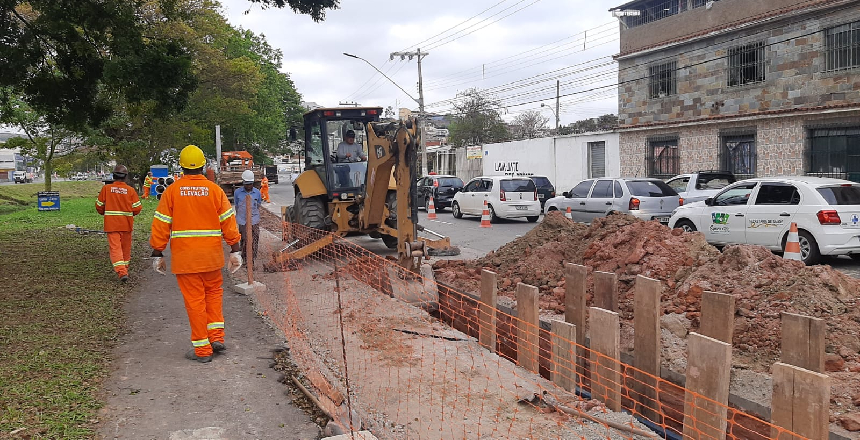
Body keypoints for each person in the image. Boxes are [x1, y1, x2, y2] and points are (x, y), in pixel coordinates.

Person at [150, 145, 243, 364]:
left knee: (195, 302)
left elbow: (162, 224)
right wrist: (235, 249)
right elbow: (229, 222)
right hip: (211, 258)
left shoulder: (172, 191)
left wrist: (157, 251)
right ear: (203, 166)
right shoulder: (214, 190)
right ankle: (216, 338)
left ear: (181, 167)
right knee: (213, 296)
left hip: (186, 260)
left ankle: (203, 350)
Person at [96, 165, 142, 283]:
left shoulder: (106, 189)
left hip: (111, 225)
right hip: (126, 224)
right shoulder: (131, 190)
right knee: (125, 249)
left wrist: (105, 212)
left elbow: (99, 206)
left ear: (113, 175)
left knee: (115, 248)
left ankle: (122, 272)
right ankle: (124, 269)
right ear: (126, 177)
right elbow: (137, 208)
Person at [234, 170, 262, 262]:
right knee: (245, 240)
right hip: (242, 220)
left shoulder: (257, 192)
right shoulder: (237, 192)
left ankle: (252, 258)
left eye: (250, 184)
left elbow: (258, 205)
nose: (248, 186)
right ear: (243, 183)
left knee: (255, 238)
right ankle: (245, 258)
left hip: (254, 220)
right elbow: (237, 206)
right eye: (246, 184)